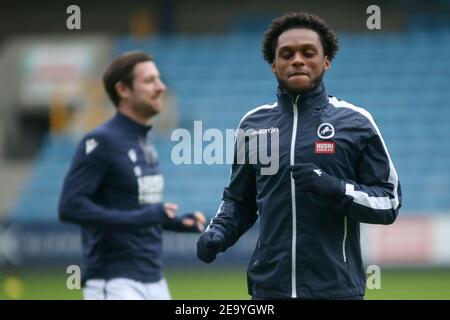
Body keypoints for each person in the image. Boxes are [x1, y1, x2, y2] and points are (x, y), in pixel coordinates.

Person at [196, 12, 401, 300]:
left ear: (326, 61)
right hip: (268, 289)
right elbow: (239, 201)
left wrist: (335, 188)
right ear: (273, 64)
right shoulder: (253, 125)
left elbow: (388, 202)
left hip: (336, 289)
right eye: (286, 54)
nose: (297, 60)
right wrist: (218, 233)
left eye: (308, 52)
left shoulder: (356, 122)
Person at [59, 51, 206, 300]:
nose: (161, 87)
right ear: (123, 90)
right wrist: (146, 216)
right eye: (149, 81)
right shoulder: (100, 141)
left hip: (154, 278)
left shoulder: (145, 142)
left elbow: (137, 208)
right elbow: (70, 207)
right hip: (114, 281)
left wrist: (175, 221)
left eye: (159, 79)